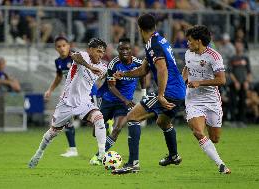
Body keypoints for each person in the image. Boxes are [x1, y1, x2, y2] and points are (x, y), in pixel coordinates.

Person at [112, 14, 186, 174]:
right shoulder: (159, 40)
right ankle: (174, 156)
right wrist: (123, 74)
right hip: (179, 91)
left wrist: (160, 94)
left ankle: (133, 163)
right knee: (163, 122)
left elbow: (162, 69)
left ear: (139, 28)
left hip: (169, 91)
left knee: (132, 117)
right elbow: (143, 70)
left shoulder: (154, 45)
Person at [28, 38, 108, 168]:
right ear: (91, 50)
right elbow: (74, 56)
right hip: (66, 102)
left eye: (102, 52)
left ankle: (102, 154)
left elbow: (105, 74)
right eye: (98, 51)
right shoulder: (83, 55)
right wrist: (90, 67)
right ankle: (39, 153)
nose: (100, 54)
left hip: (84, 102)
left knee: (99, 119)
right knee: (52, 133)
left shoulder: (103, 66)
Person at [89, 37, 146, 165]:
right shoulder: (113, 64)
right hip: (109, 100)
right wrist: (125, 99)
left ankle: (99, 156)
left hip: (124, 104)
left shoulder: (138, 63)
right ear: (118, 50)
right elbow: (111, 86)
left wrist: (143, 93)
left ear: (132, 50)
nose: (125, 51)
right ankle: (107, 125)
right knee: (95, 132)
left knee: (118, 128)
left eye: (127, 49)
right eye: (121, 49)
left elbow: (142, 75)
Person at [182, 25, 231, 174]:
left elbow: (222, 80)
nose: (187, 43)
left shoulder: (214, 56)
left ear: (198, 41)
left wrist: (199, 83)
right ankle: (221, 164)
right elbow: (187, 68)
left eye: (190, 41)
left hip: (211, 100)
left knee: (215, 138)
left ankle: (215, 153)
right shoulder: (188, 54)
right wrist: (182, 80)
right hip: (193, 99)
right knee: (197, 131)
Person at [44, 36, 80, 157]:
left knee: (97, 121)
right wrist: (50, 90)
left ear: (69, 45)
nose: (62, 48)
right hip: (71, 95)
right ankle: (73, 149)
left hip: (87, 93)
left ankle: (107, 129)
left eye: (64, 45)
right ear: (56, 48)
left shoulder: (76, 57)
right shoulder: (58, 62)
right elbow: (59, 77)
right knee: (67, 119)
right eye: (59, 46)